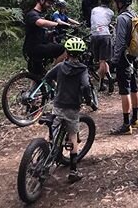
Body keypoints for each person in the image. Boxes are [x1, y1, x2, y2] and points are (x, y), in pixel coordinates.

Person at [44, 37, 96, 183]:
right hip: (72, 107)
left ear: (66, 52)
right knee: (73, 135)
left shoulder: (60, 67)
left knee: (53, 130)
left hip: (58, 105)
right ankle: (73, 171)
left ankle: (45, 154)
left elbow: (47, 77)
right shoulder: (83, 69)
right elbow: (86, 86)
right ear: (81, 54)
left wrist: (55, 88)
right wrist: (88, 99)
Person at [109, 0, 138, 135]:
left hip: (124, 58)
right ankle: (135, 120)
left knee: (124, 90)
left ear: (120, 3)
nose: (114, 4)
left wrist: (114, 60)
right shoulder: (133, 15)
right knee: (134, 87)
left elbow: (120, 41)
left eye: (115, 2)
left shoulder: (122, 18)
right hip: (133, 56)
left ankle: (126, 125)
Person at [24, 0, 71, 76]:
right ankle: (53, 73)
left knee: (38, 76)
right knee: (65, 49)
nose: (50, 6)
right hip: (35, 48)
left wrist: (51, 33)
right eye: (49, 3)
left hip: (34, 48)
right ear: (42, 1)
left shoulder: (39, 14)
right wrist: (58, 25)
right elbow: (40, 23)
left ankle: (32, 89)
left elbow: (39, 30)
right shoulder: (32, 14)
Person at [90, 0, 115, 91]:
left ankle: (103, 82)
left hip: (94, 35)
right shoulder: (111, 12)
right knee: (103, 61)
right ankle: (97, 82)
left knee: (101, 61)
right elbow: (109, 23)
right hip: (105, 35)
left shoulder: (94, 9)